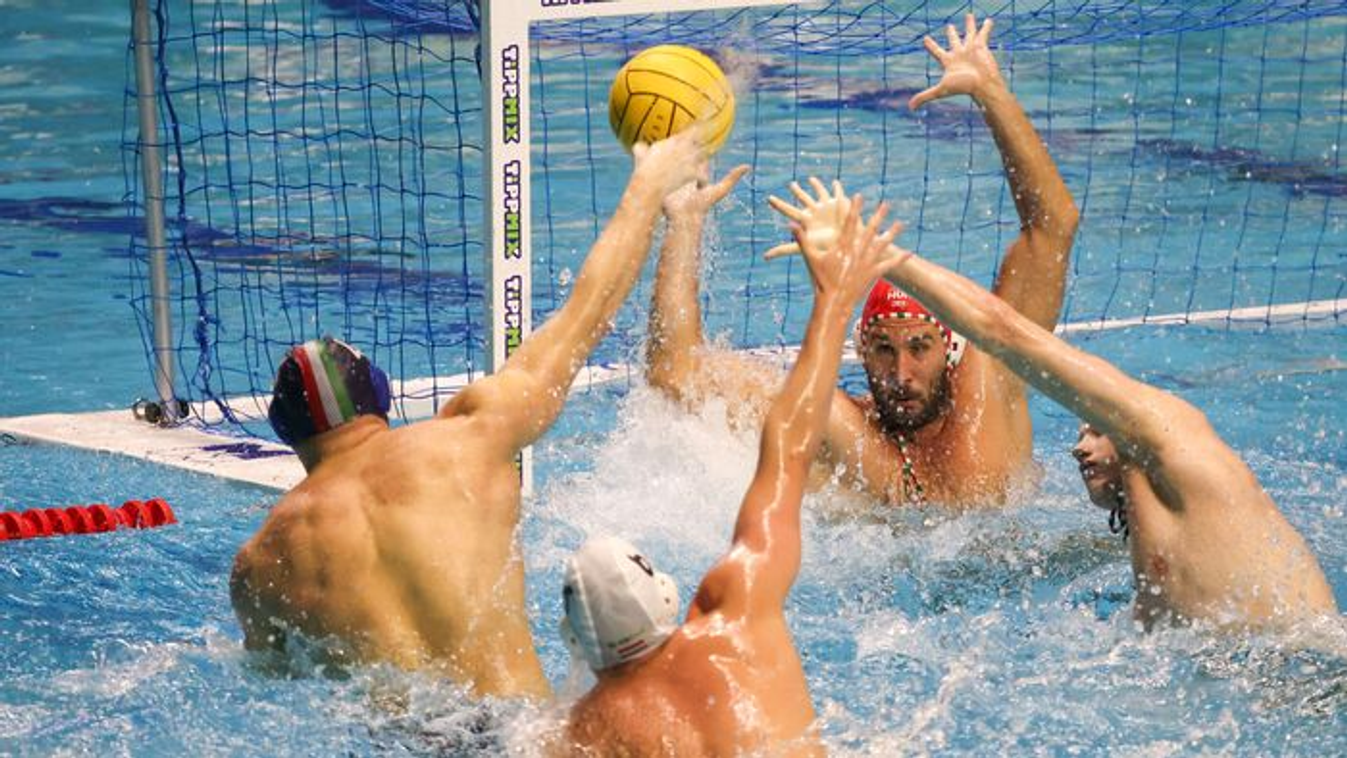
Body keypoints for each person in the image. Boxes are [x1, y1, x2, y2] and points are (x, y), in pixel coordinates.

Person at [229, 127, 711, 698]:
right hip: (520, 727)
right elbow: (588, 312)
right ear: (379, 396)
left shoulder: (259, 565)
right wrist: (649, 185)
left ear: (287, 431)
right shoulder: (466, 439)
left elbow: (272, 682)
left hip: (409, 737)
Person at [790, 182, 1338, 629]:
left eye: (1092, 428)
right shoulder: (1148, 523)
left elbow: (1003, 330)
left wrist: (880, 256)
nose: (1078, 448)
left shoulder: (1166, 432)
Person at [646, 14, 1079, 506]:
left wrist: (991, 93)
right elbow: (674, 375)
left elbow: (1054, 227)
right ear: (860, 349)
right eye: (883, 350)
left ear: (950, 348)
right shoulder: (840, 429)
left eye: (919, 347)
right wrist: (684, 222)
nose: (900, 374)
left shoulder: (991, 383)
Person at [560, 199, 905, 754]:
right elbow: (789, 448)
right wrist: (834, 298)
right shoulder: (740, 612)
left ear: (576, 642)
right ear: (666, 593)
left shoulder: (582, 733)